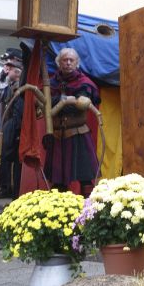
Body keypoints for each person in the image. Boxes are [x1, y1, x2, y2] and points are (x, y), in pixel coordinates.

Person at [45, 48, 100, 197]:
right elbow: (43, 103)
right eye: (65, 60)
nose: (68, 63)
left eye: (71, 60)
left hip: (78, 135)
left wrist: (58, 103)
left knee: (86, 179)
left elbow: (78, 106)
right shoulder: (51, 83)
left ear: (77, 63)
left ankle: (89, 209)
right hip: (57, 136)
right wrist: (62, 100)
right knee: (57, 180)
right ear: (59, 63)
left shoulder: (84, 83)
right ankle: (59, 208)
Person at [0, 48, 23, 198]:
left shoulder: (23, 78)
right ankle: (5, 187)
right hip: (9, 122)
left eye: (10, 63)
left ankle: (16, 191)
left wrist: (16, 75)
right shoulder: (8, 79)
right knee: (3, 156)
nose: (6, 66)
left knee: (16, 158)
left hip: (19, 123)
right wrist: (6, 77)